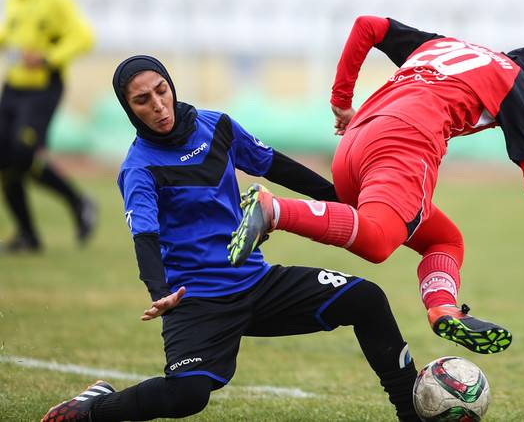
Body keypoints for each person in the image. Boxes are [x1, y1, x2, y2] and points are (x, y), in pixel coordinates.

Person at [40, 55, 421, 422]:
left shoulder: (217, 126)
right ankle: (92, 410)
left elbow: (278, 167)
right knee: (187, 396)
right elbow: (145, 235)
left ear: (171, 86)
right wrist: (159, 291)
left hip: (257, 282)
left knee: (366, 299)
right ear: (129, 109)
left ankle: (412, 413)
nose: (158, 105)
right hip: (198, 298)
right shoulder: (139, 167)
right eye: (142, 100)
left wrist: (348, 202)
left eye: (161, 91)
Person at [228, 16, 524, 355]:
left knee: (445, 239)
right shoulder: (515, 81)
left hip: (354, 145)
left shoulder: (444, 47)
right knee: (377, 242)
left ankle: (444, 309)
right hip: (405, 143)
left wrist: (342, 102)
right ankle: (272, 209)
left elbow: (368, 26)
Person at [0, 0, 96, 252]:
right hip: (13, 88)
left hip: (43, 87)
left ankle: (78, 201)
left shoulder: (55, 0)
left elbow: (83, 38)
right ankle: (28, 235)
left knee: (22, 154)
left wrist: (47, 58)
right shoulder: (14, 1)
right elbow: (10, 35)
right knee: (3, 158)